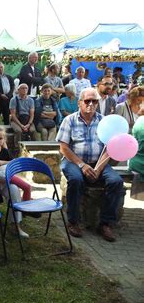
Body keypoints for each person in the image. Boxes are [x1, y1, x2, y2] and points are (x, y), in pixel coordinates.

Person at [57, 87, 124, 242]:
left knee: (116, 182)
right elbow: (64, 148)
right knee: (76, 180)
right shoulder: (70, 120)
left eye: (95, 101)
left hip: (98, 162)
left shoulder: (103, 121)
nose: (91, 104)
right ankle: (73, 221)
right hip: (73, 161)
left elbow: (109, 147)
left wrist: (99, 168)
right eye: (88, 101)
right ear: (80, 102)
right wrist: (82, 166)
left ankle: (105, 223)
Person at [9, 83, 37, 148]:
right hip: (16, 120)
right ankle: (17, 148)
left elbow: (32, 114)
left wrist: (29, 124)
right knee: (18, 131)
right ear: (18, 90)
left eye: (26, 88)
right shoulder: (13, 100)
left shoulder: (31, 100)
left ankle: (34, 147)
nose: (24, 89)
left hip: (27, 120)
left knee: (33, 131)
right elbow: (13, 115)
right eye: (23, 88)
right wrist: (21, 125)